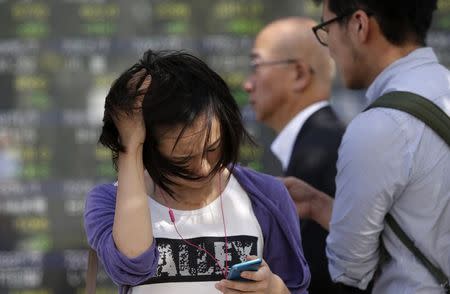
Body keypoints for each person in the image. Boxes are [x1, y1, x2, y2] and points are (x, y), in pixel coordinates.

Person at [84, 49, 310, 294]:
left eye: (213, 148)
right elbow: (131, 264)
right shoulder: (110, 202)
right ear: (148, 151)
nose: (203, 168)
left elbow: (296, 288)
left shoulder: (266, 196)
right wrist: (128, 145)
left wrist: (274, 289)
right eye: (183, 159)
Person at [283, 0, 450, 293]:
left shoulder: (377, 127)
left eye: (326, 28)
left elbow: (350, 268)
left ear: (359, 24)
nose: (329, 47)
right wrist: (319, 204)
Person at [243, 17, 350, 294]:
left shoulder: (321, 157)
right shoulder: (330, 142)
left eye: (257, 66)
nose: (247, 84)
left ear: (299, 74)